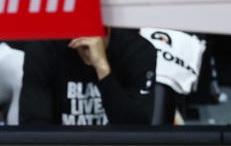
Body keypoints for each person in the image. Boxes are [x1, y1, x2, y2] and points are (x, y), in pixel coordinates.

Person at [18, 27, 157, 126]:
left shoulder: (137, 51)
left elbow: (137, 128)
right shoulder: (45, 48)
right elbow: (34, 125)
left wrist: (102, 68)